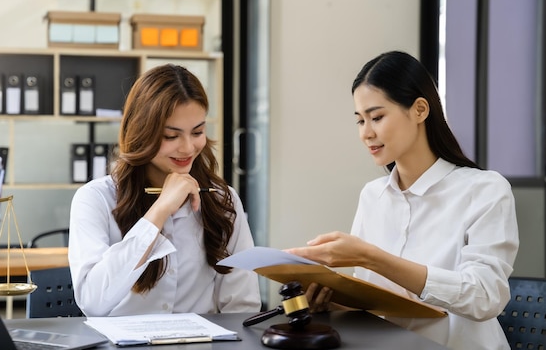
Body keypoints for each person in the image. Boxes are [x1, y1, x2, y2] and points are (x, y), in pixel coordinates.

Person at [287, 51, 519, 350]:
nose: (366, 133)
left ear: (420, 110)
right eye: (360, 121)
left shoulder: (485, 190)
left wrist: (371, 257)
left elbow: (485, 298)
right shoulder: (373, 195)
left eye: (377, 117)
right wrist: (330, 305)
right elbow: (377, 311)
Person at [69, 64, 261, 317]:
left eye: (198, 132)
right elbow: (92, 301)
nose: (188, 147)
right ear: (141, 132)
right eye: (171, 136)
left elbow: (241, 307)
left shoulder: (222, 200)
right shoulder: (95, 198)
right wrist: (158, 212)